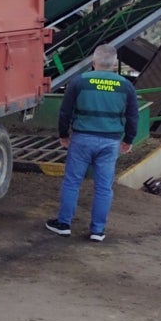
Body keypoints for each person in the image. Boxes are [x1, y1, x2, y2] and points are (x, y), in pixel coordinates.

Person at [45, 43, 139, 243]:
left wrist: (63, 135)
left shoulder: (79, 82)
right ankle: (98, 230)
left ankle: (64, 224)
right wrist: (128, 140)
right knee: (104, 187)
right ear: (114, 64)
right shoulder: (125, 86)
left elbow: (65, 112)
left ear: (94, 62)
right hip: (110, 142)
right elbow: (132, 117)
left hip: (82, 139)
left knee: (72, 182)